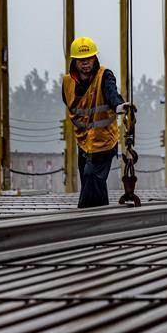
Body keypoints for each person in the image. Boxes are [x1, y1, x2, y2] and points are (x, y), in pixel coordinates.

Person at [61, 36, 132, 208]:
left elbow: (111, 93)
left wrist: (118, 106)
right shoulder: (67, 83)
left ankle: (81, 218)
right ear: (74, 62)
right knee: (91, 182)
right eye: (81, 60)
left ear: (95, 58)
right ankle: (103, 218)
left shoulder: (104, 76)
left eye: (89, 58)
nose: (86, 63)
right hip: (83, 142)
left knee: (91, 176)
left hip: (104, 142)